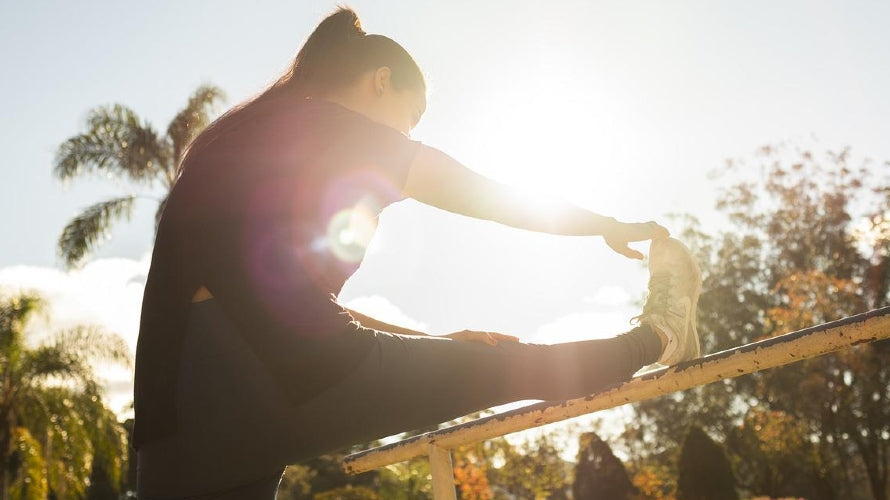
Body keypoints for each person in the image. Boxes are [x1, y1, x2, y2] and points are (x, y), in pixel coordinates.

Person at [134, 7, 702, 499]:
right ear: (382, 81)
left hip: (176, 435)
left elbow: (270, 306)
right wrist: (603, 225)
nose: (407, 135)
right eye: (412, 116)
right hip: (289, 378)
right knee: (511, 368)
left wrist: (431, 346)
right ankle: (660, 335)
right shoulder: (342, 130)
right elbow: (486, 196)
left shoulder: (235, 144)